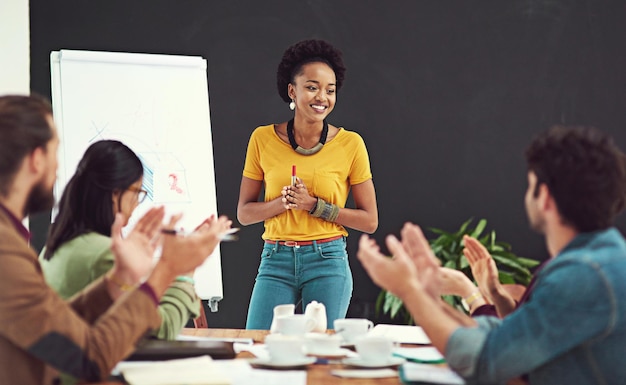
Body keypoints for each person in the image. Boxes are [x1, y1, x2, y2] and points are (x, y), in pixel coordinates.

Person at [357, 125, 626, 384]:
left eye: (529, 183)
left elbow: (485, 362)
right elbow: (503, 336)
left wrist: (409, 291)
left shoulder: (582, 276)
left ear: (543, 197)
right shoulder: (598, 260)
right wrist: (427, 295)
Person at [0, 94, 232, 385]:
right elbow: (89, 357)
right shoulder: (6, 253)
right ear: (36, 159)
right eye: (54, 152)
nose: (58, 168)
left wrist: (117, 280)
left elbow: (60, 332)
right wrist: (170, 270)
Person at [238, 39, 378, 330]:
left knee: (320, 355)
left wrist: (315, 206)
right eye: (312, 87)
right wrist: (283, 202)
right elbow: (244, 213)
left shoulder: (351, 144)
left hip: (327, 259)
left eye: (330, 90)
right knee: (256, 345)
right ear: (293, 90)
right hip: (275, 259)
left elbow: (369, 221)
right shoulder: (262, 139)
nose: (322, 97)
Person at [38, 140, 203, 384]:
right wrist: (184, 271)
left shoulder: (56, 247)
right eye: (137, 192)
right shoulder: (102, 253)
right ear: (115, 194)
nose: (138, 202)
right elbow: (160, 333)